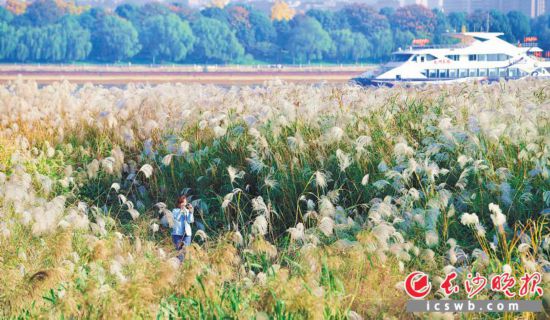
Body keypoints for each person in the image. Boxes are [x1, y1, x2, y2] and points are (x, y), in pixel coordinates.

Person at [172, 195, 194, 261]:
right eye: (183, 203)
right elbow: (176, 219)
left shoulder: (187, 211)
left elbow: (190, 221)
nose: (184, 204)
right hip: (177, 234)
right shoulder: (175, 210)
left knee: (186, 250)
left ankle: (184, 265)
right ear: (179, 203)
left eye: (185, 203)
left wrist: (190, 212)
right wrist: (181, 211)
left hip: (187, 234)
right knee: (179, 251)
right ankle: (179, 265)